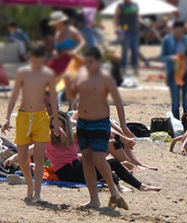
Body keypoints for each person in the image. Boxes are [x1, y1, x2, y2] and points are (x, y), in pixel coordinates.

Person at [66, 46, 132, 209]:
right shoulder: (80, 76)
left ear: (98, 62)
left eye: (91, 62)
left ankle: (114, 193)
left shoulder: (105, 78)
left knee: (99, 159)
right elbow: (71, 96)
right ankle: (94, 199)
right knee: (87, 160)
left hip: (100, 122)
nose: (88, 65)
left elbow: (118, 102)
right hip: (82, 123)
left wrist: (123, 126)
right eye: (86, 61)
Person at [27, 112, 159, 192]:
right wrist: (17, 158)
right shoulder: (47, 139)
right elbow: (28, 152)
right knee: (110, 163)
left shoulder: (72, 136)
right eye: (55, 127)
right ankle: (134, 186)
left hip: (76, 167)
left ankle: (128, 186)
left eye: (61, 127)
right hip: (66, 172)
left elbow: (101, 130)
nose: (58, 130)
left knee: (104, 162)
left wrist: (123, 139)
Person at [1, 42, 62, 203]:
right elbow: (14, 95)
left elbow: (53, 98)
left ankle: (38, 193)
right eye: (35, 60)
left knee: (39, 157)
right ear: (31, 57)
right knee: (22, 158)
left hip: (40, 117)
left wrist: (56, 121)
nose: (38, 63)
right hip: (23, 116)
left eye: (40, 60)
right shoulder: (23, 72)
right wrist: (7, 117)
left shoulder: (48, 74)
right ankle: (30, 185)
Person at [160, 20, 187, 120]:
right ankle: (176, 124)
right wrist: (171, 58)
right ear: (173, 30)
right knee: (175, 103)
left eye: (181, 31)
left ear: (184, 30)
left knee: (186, 103)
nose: (179, 34)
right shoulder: (167, 40)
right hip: (173, 74)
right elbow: (162, 57)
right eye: (177, 31)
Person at [114, 0, 141, 76]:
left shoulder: (135, 5)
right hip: (124, 31)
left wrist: (143, 22)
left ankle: (135, 69)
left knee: (135, 51)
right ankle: (124, 69)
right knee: (125, 51)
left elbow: (137, 17)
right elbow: (116, 17)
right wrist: (115, 27)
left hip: (135, 31)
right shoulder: (121, 6)